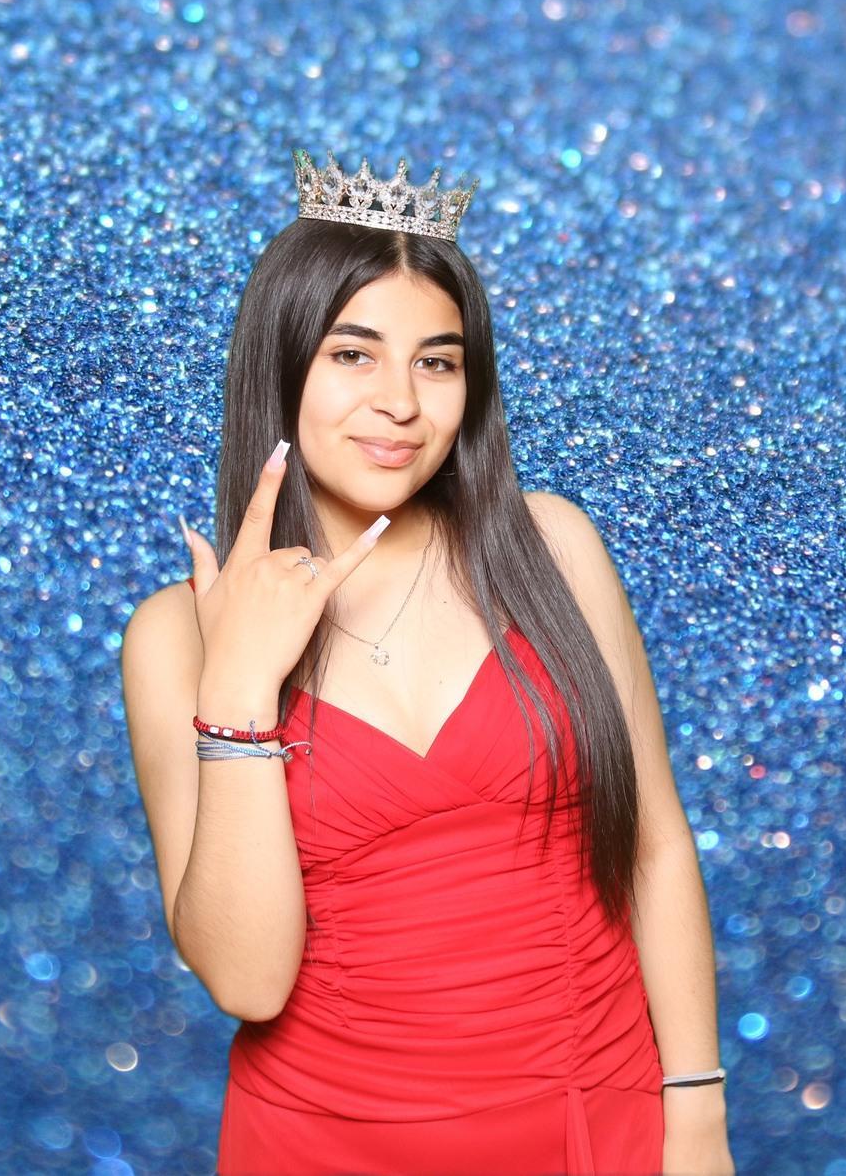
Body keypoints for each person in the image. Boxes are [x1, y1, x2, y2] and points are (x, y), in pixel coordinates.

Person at [120, 149, 734, 1174]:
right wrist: (238, 687)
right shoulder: (172, 636)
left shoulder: (551, 548)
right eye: (353, 355)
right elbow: (247, 982)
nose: (400, 403)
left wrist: (697, 1112)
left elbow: (656, 845)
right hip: (322, 1144)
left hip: (596, 1118)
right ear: (281, 367)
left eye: (436, 362)